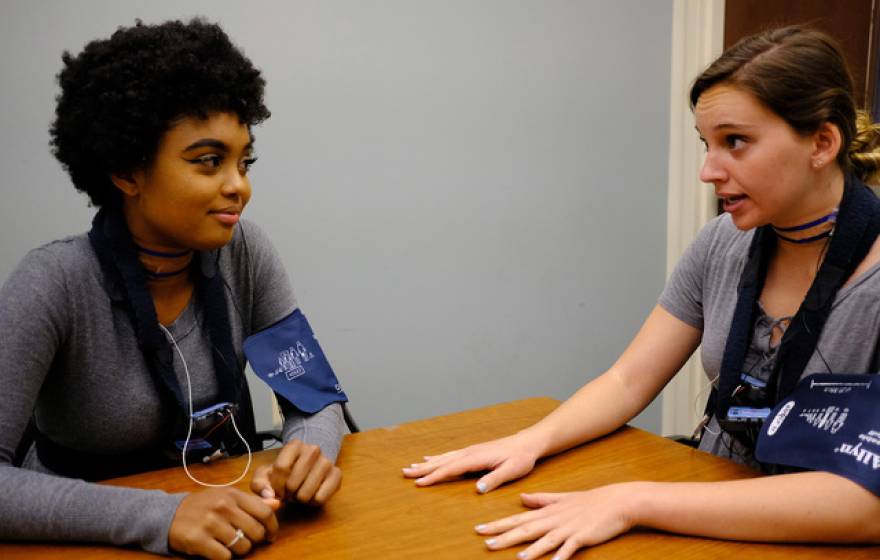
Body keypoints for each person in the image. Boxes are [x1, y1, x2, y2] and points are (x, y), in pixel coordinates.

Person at [403, 26, 880, 559]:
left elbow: (867, 507)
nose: (707, 171)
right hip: (712, 501)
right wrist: (527, 442)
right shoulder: (722, 243)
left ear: (822, 143)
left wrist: (633, 501)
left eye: (735, 142)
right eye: (706, 144)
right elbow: (629, 379)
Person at [0, 19, 348, 559]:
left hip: (231, 527)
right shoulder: (53, 282)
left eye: (244, 161)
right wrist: (161, 516)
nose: (239, 186)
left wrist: (305, 454)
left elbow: (314, 399)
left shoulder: (246, 251)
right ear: (126, 170)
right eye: (209, 162)